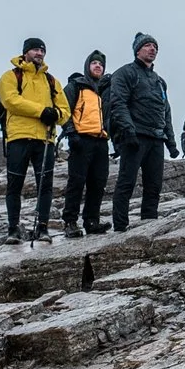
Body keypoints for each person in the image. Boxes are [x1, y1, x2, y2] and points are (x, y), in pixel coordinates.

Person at [104, 32, 178, 231]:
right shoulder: (125, 73)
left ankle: (149, 224)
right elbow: (118, 102)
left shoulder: (159, 81)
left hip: (157, 139)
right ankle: (120, 226)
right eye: (147, 46)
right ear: (137, 50)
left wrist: (171, 142)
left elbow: (166, 111)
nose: (152, 49)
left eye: (155, 47)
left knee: (154, 185)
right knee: (126, 182)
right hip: (134, 136)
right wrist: (128, 131)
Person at [0, 38, 64, 243]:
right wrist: (42, 111)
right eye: (35, 49)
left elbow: (65, 110)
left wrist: (56, 114)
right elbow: (11, 101)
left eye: (42, 50)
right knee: (15, 185)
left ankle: (42, 228)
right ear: (25, 52)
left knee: (45, 185)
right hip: (18, 136)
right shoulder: (10, 77)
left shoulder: (51, 81)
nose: (39, 53)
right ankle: (13, 229)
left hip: (44, 139)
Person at [59, 50, 112, 238]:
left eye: (101, 64)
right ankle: (70, 222)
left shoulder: (105, 90)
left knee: (98, 183)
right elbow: (63, 109)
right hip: (81, 140)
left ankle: (92, 220)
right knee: (77, 182)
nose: (98, 66)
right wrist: (71, 132)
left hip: (101, 140)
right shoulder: (76, 86)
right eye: (94, 63)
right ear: (87, 66)